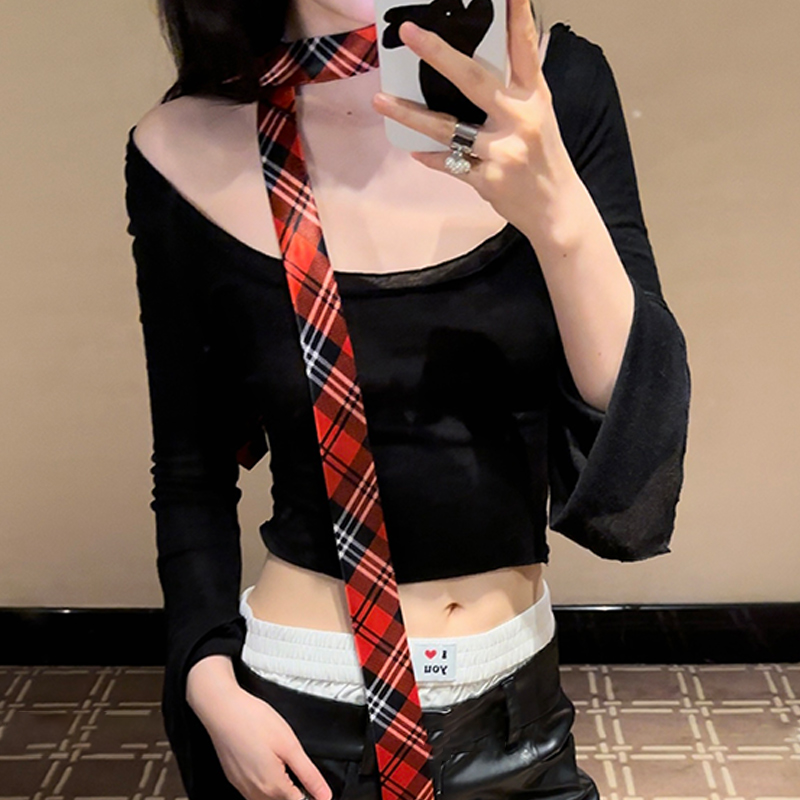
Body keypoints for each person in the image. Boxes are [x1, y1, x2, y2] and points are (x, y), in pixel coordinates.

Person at [125, 0, 690, 798]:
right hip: (304, 722)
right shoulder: (184, 145)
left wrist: (556, 210)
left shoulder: (550, 90)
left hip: (520, 710)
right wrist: (211, 688)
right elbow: (191, 468)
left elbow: (638, 445)